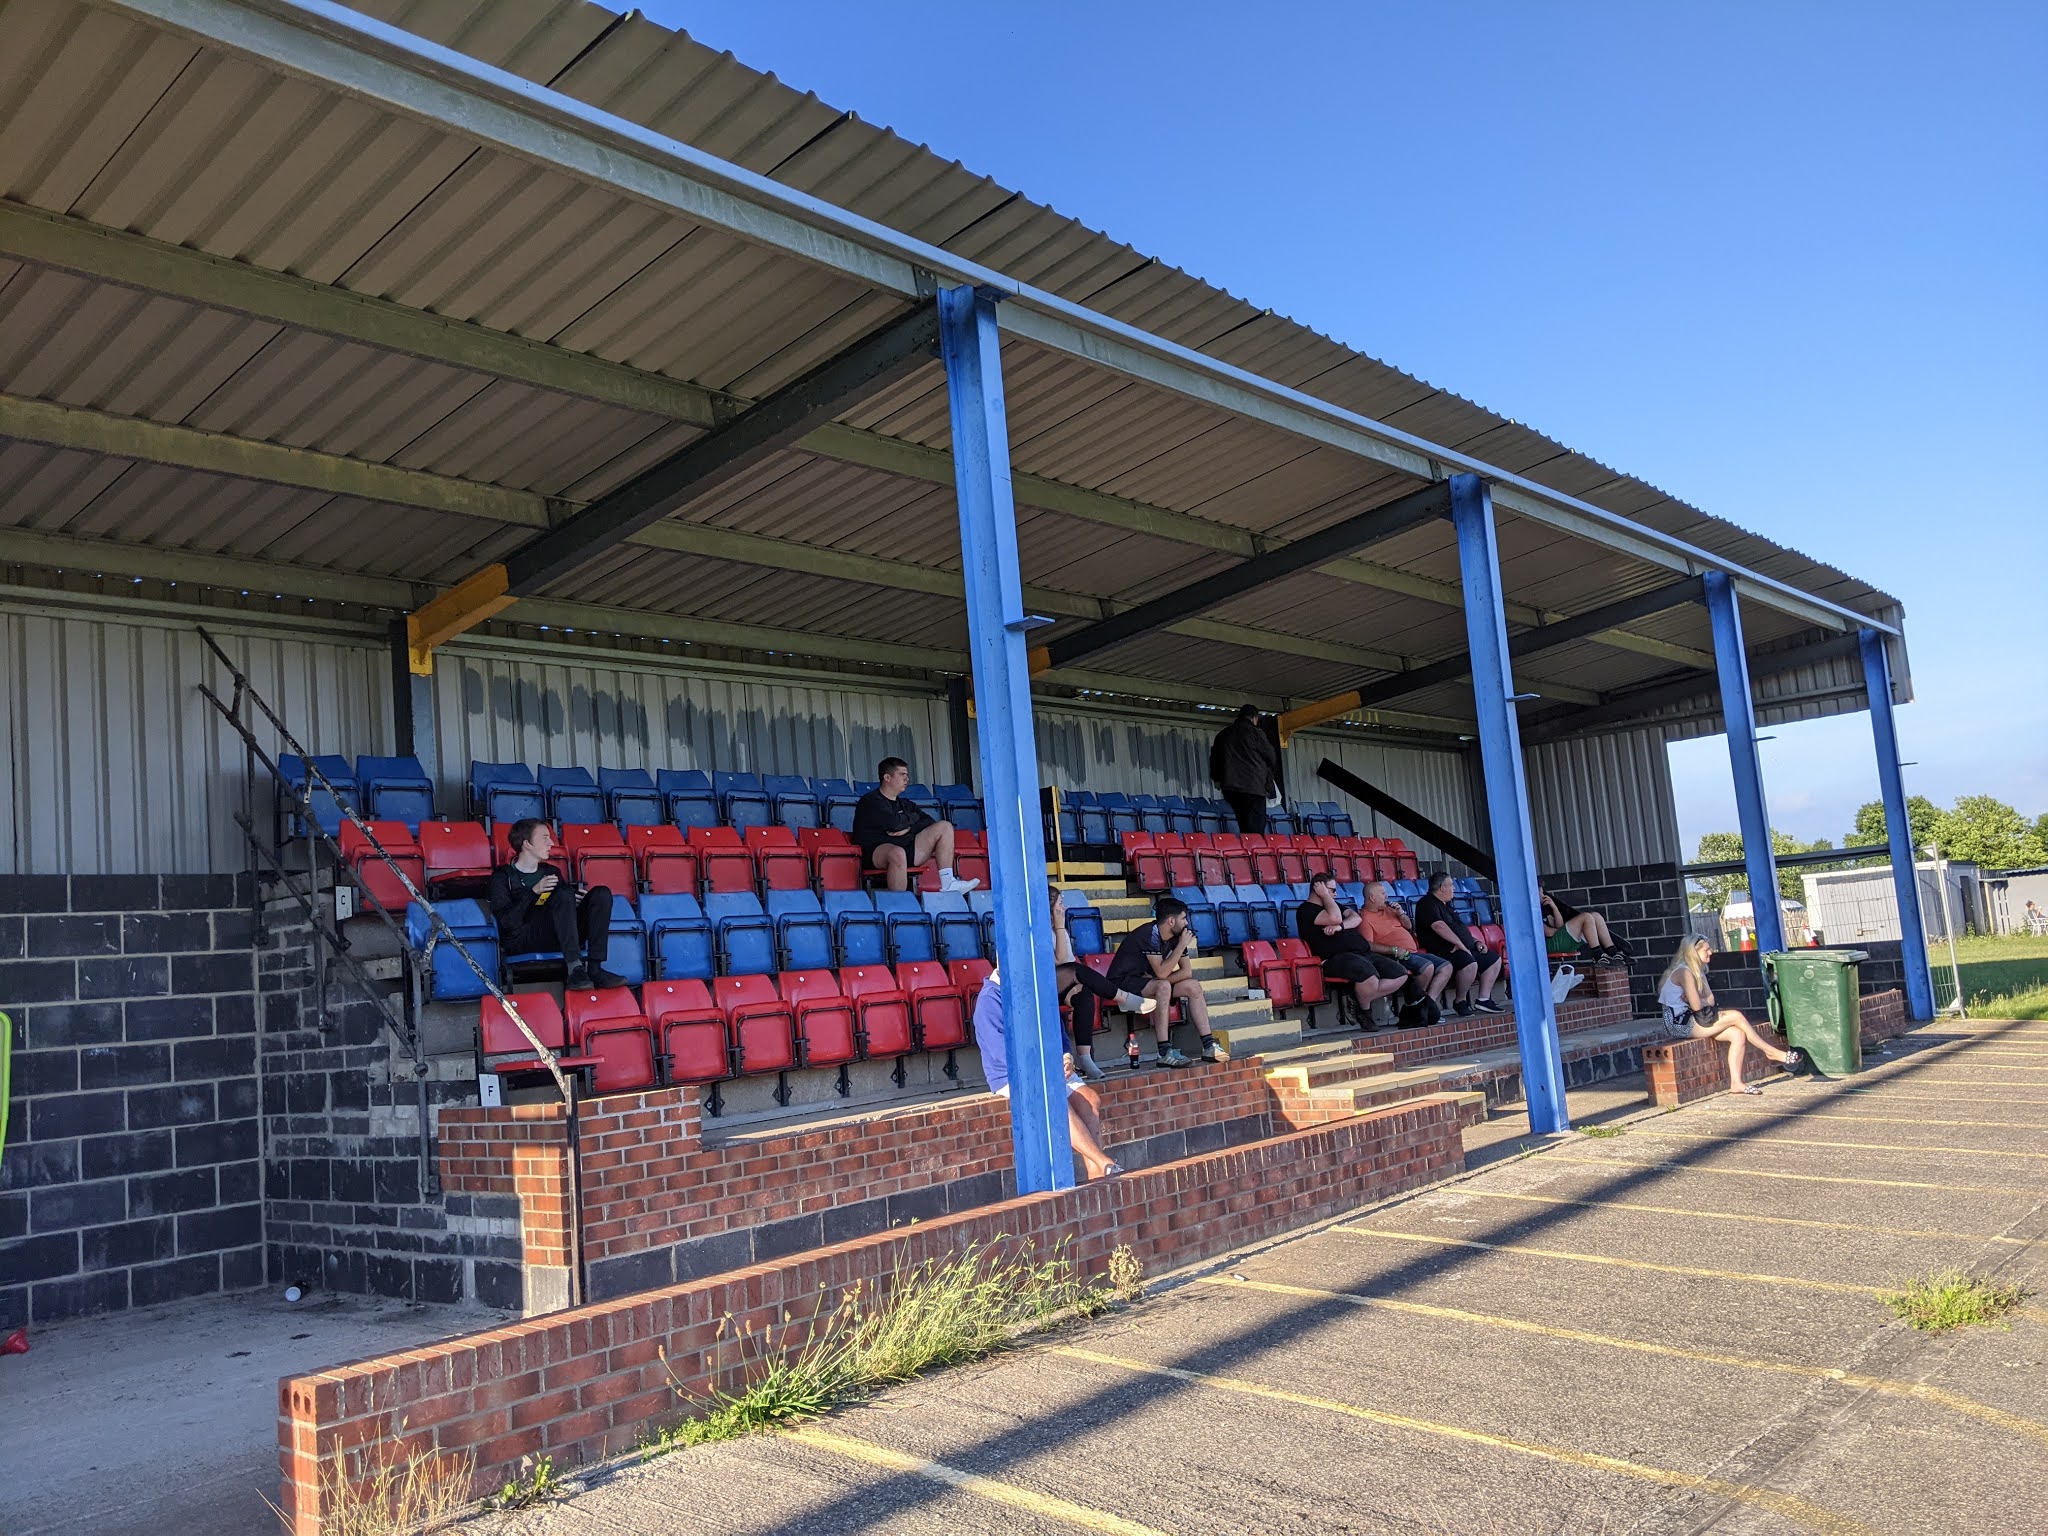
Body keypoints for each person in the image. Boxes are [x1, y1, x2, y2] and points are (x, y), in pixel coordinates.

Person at [971, 962, 1121, 1180]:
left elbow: (1057, 1030)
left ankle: (1097, 1173)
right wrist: (1042, 1070)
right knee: (1056, 1101)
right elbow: (1000, 1053)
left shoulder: (1033, 989)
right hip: (1010, 1076)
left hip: (1049, 1067)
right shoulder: (988, 1000)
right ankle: (1104, 1162)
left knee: (1090, 1100)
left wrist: (1066, 1057)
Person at [486, 819, 626, 989]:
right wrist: (533, 892)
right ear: (527, 843)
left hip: (557, 935)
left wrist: (579, 902)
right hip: (522, 939)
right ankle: (575, 968)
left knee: (601, 894)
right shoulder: (502, 876)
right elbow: (507, 922)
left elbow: (563, 906)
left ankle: (595, 969)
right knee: (563, 893)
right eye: (544, 838)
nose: (551, 843)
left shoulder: (551, 871)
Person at [1659, 934, 1810, 1092]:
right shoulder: (1684, 972)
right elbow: (1697, 1006)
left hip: (1695, 1018)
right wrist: (1696, 1000)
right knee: (1736, 1016)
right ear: (1693, 952)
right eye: (1706, 950)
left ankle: (1736, 1083)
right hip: (1678, 1022)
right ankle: (1770, 1051)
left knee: (1737, 1034)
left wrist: (1694, 999)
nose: (1710, 953)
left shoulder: (1698, 971)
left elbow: (1710, 1000)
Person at [1051, 885, 1158, 1082]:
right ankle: (1123, 999)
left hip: (1057, 984)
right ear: (1050, 909)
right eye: (1060, 904)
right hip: (1038, 987)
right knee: (1079, 970)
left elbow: (1066, 961)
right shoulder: (1038, 930)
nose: (1064, 908)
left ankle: (1085, 1057)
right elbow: (1058, 962)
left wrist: (1060, 929)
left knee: (1084, 993)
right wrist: (1058, 926)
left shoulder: (1061, 930)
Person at [1103, 896, 1223, 1068]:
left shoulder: (1176, 938)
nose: (1186, 923)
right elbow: (1161, 972)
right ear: (1171, 921)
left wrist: (1159, 977)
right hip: (1121, 983)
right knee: (1163, 985)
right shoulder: (1149, 933)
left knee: (1193, 985)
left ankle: (1209, 1046)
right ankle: (1164, 1051)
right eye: (1183, 918)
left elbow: (1186, 972)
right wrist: (1181, 947)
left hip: (1147, 981)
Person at [1296, 872, 1413, 1030]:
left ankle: (1359, 999)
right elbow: (1335, 918)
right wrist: (1326, 897)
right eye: (1332, 890)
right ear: (1319, 890)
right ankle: (1365, 1013)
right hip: (1334, 957)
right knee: (1369, 976)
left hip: (1362, 952)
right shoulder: (1306, 910)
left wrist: (1341, 927)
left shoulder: (1333, 906)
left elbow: (1356, 918)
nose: (1335, 894)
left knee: (1400, 973)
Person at [851, 757, 979, 894]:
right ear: (887, 777)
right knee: (897, 853)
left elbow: (928, 822)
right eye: (902, 775)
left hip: (907, 848)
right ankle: (899, 905)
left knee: (945, 826)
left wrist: (908, 827)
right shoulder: (871, 801)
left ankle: (948, 882)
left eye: (907, 775)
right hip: (875, 853)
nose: (907, 779)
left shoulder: (905, 804)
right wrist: (911, 820)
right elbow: (894, 824)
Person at [1359, 881, 1452, 1026]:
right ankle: (1418, 1006)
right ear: (1372, 897)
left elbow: (1409, 926)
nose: (1386, 896)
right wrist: (1394, 950)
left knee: (1446, 966)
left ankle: (1426, 1006)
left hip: (1413, 951)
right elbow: (1368, 946)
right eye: (1383, 894)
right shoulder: (1365, 918)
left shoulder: (1389, 909)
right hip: (1394, 955)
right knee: (1427, 967)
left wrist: (1401, 913)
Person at [1413, 872, 1505, 1016]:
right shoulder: (1427, 903)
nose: (1454, 889)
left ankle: (1483, 999)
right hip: (1443, 950)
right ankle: (1460, 1001)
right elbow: (1438, 926)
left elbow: (1460, 930)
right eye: (1451, 886)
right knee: (1469, 963)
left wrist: (1476, 942)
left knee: (1493, 959)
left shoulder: (1447, 905)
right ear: (1442, 887)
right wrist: (1460, 945)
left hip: (1463, 947)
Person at [1209, 704, 1281, 834]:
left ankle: (1246, 848)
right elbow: (1271, 756)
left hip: (1231, 789)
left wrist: (1217, 779)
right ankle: (1252, 851)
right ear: (1254, 718)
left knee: (1244, 822)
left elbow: (1214, 759)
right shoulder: (1256, 733)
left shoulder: (1223, 734)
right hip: (1253, 788)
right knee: (1256, 828)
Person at [1540, 885, 1633, 964]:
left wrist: (1554, 907)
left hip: (1561, 941)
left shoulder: (1543, 910)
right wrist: (1571, 928)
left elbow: (1559, 925)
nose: (1543, 894)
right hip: (1550, 945)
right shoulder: (1532, 915)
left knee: (1596, 916)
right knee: (1586, 917)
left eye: (1542, 891)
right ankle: (1598, 955)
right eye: (1540, 892)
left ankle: (1613, 952)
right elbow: (1548, 932)